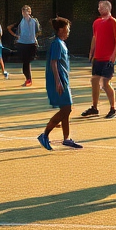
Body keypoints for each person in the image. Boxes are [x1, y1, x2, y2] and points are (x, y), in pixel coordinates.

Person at [38, 18, 83, 150]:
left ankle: (66, 139)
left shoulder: (61, 43)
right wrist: (58, 81)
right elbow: (54, 63)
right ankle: (44, 135)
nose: (69, 31)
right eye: (67, 29)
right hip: (59, 81)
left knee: (66, 110)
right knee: (66, 108)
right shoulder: (56, 44)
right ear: (61, 30)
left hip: (64, 80)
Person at [82, 0, 116, 119]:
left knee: (105, 83)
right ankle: (94, 108)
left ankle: (113, 108)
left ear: (107, 8)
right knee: (94, 81)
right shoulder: (96, 22)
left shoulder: (113, 21)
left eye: (101, 7)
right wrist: (91, 52)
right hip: (98, 58)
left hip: (108, 59)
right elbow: (95, 37)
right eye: (98, 7)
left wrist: (114, 54)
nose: (99, 9)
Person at [7, 5, 41, 87]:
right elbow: (9, 27)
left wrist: (34, 38)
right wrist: (16, 36)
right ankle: (28, 79)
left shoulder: (34, 21)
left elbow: (39, 31)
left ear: (29, 12)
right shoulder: (20, 21)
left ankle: (28, 79)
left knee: (27, 62)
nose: (24, 13)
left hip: (32, 44)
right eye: (23, 11)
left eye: (26, 11)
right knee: (25, 63)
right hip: (22, 44)